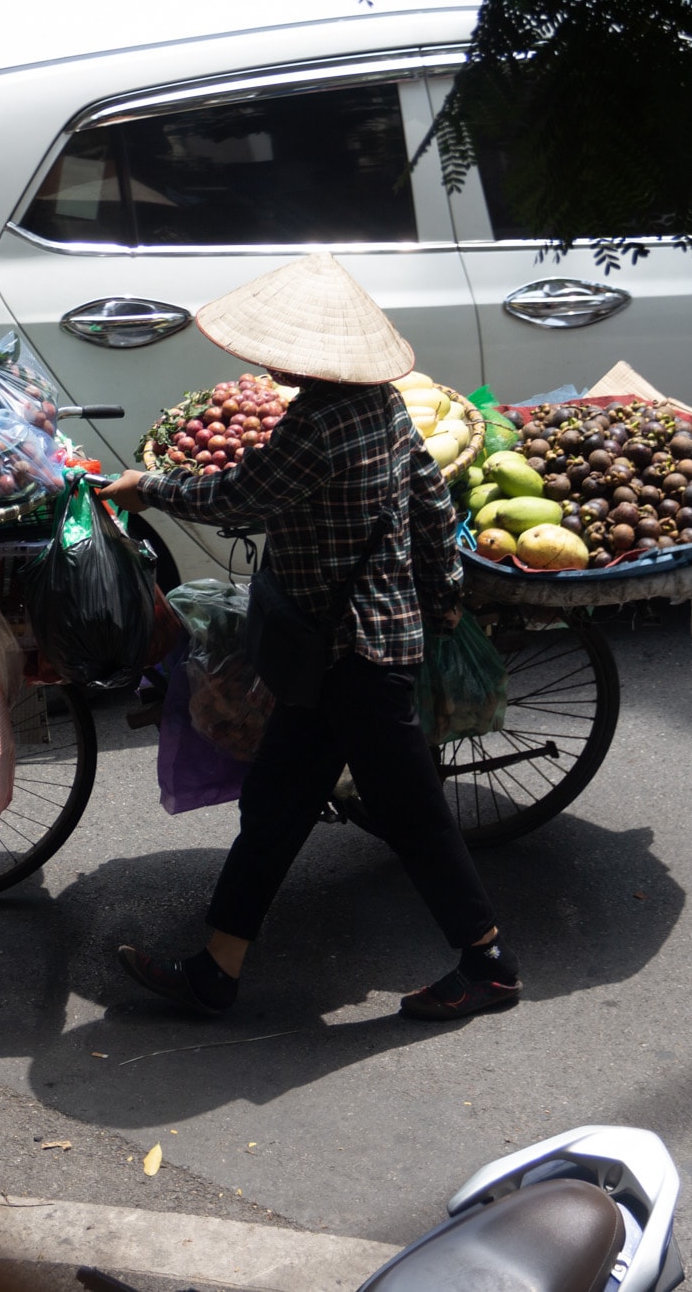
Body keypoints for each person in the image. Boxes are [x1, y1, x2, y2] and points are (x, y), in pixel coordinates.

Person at [101, 253, 520, 1022]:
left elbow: (238, 496)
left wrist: (149, 488)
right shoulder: (380, 404)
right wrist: (443, 600)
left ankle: (488, 963)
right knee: (277, 802)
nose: (269, 361)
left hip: (356, 653)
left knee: (411, 812)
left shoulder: (315, 425)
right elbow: (430, 501)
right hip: (339, 652)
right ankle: (216, 969)